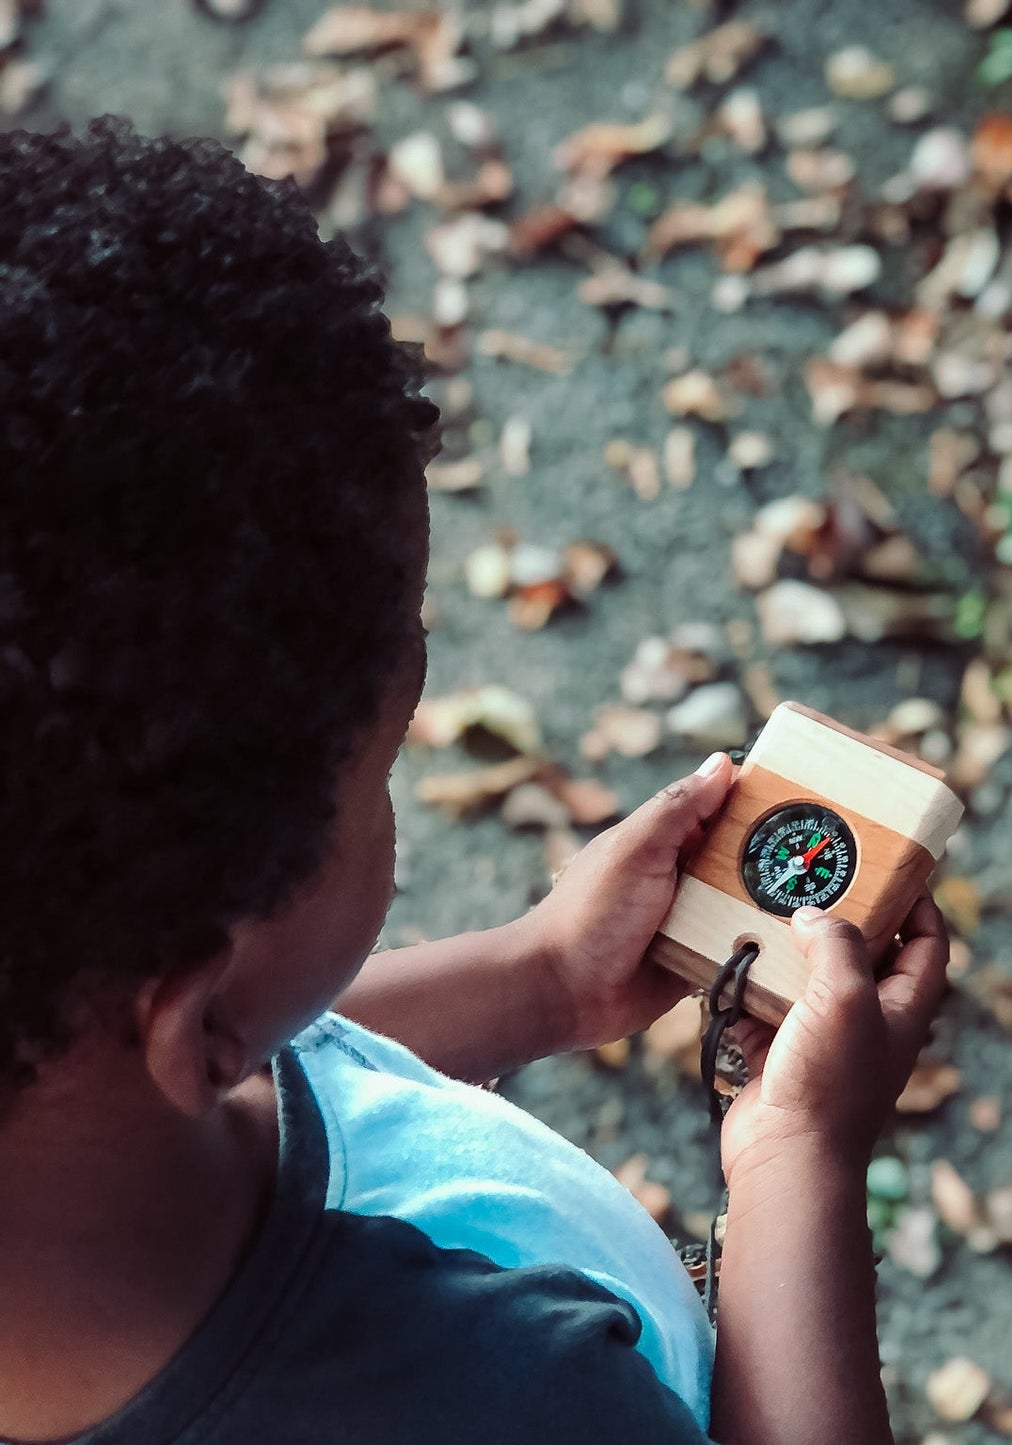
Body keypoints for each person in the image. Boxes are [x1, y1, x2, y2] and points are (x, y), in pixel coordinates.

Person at [0, 118, 950, 1445]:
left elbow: (230, 1067)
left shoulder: (83, 1066)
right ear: (196, 1007)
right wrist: (795, 1167)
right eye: (383, 766)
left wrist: (536, 978)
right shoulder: (493, 1396)